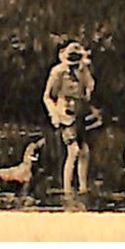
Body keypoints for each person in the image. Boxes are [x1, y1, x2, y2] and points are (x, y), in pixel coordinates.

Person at [43, 40, 96, 195]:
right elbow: (47, 96)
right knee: (73, 151)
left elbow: (88, 88)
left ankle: (83, 187)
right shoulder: (57, 72)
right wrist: (54, 115)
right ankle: (67, 189)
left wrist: (88, 84)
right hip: (64, 113)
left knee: (84, 150)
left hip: (80, 112)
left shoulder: (83, 70)